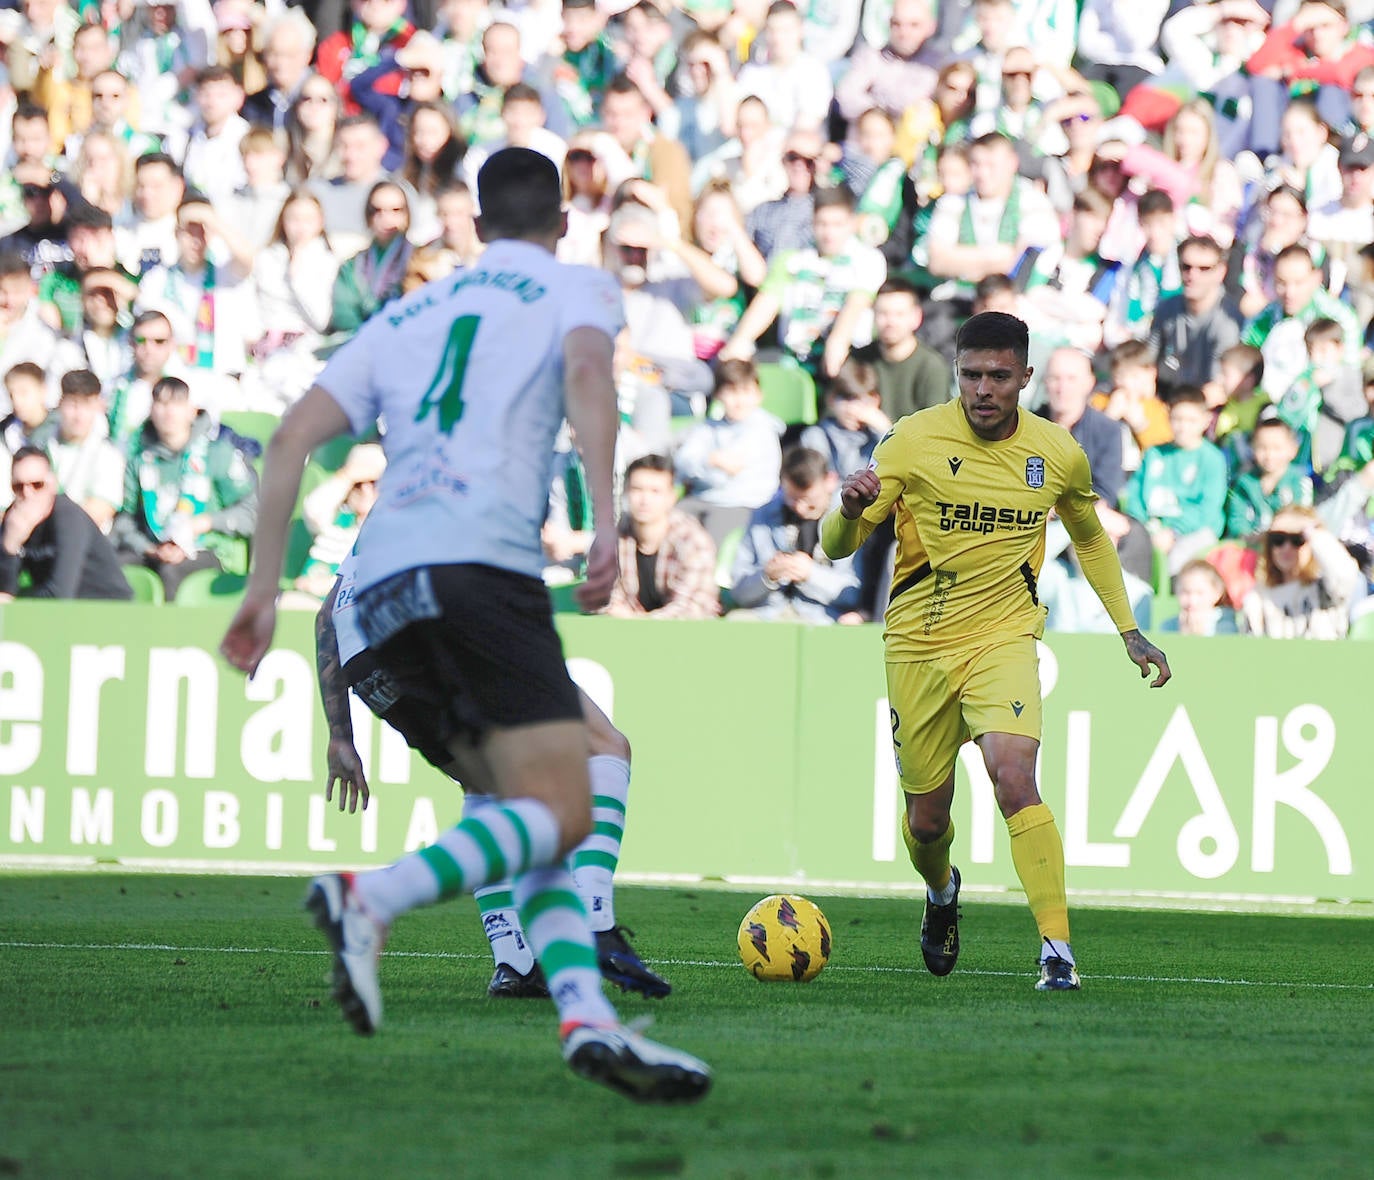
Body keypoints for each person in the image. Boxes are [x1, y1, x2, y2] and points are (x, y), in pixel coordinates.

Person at [218, 147, 711, 1102]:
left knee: (525, 814)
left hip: (382, 592)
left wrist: (260, 589)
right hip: (482, 567)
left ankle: (584, 1021)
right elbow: (586, 377)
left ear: (475, 227)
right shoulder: (578, 287)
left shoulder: (402, 314)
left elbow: (286, 443)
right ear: (562, 223)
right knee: (571, 801)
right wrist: (608, 524)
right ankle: (373, 895)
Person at [820, 311, 1171, 991]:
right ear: (957, 373)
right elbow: (836, 546)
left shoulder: (1056, 453)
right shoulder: (913, 442)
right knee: (927, 822)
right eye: (972, 374)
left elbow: (1092, 539)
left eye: (998, 376)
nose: (983, 389)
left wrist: (1128, 630)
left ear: (1025, 378)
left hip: (1005, 639)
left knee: (1015, 778)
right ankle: (942, 893)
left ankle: (1058, 952)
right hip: (918, 646)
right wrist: (848, 508)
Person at [313, 550, 675, 1001]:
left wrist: (339, 735)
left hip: (365, 657)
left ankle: (515, 961)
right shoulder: (477, 483)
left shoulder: (394, 501)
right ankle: (594, 918)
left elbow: (327, 614)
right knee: (605, 746)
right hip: (437, 621)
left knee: (487, 788)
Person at [111, 375, 259, 600]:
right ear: (151, 410)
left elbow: (251, 512)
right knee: (112, 566)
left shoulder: (216, 453)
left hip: (208, 549)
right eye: (161, 402)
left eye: (177, 403)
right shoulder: (140, 460)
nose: (168, 411)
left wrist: (204, 523)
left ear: (192, 410)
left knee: (170, 574)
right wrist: (149, 548)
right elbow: (126, 520)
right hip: (155, 547)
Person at [730, 445, 861, 623]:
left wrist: (810, 574)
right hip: (768, 613)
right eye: (792, 498)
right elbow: (738, 592)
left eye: (810, 501)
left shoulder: (851, 518)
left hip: (823, 617)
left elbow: (856, 594)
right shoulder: (762, 516)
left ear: (830, 481)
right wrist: (767, 576)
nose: (800, 508)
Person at [0, 445, 132, 601]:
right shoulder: (14, 520)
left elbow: (60, 594)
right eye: (18, 487)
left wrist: (15, 605)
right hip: (64, 614)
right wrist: (9, 547)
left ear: (52, 484)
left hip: (108, 608)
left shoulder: (69, 518)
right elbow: (5, 592)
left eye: (37, 485)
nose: (28, 494)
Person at [1125, 386, 1230, 580]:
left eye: (1191, 420)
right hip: (1152, 526)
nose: (1183, 427)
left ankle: (1173, 604)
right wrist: (1146, 527)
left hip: (1195, 531)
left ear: (1206, 420)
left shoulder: (1212, 458)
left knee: (1177, 559)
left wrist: (1173, 532)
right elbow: (1135, 496)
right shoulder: (1154, 453)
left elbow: (1208, 508)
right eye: (1178, 419)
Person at [605, 453, 720, 619]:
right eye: (637, 490)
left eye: (655, 491)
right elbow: (605, 598)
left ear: (671, 497)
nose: (645, 500)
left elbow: (690, 609)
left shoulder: (693, 541)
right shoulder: (614, 537)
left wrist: (636, 620)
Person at [1239, 505, 1365, 638]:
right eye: (1278, 539)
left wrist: (1312, 530)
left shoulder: (1326, 587)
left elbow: (1345, 574)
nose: (1287, 547)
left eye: (1297, 539)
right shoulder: (1258, 596)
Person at [849, 277, 950, 420]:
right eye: (883, 313)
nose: (890, 322)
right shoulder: (858, 359)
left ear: (916, 317)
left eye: (899, 314)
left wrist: (882, 427)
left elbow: (934, 428)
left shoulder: (931, 366)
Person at [1224, 416, 1313, 540]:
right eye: (1262, 448)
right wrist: (1245, 536)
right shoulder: (1244, 483)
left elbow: (1302, 516)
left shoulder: (1300, 482)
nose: (1269, 455)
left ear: (1293, 450)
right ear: (1253, 449)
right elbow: (1236, 520)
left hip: (1284, 544)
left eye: (1277, 448)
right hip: (1249, 544)